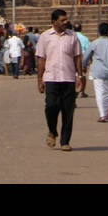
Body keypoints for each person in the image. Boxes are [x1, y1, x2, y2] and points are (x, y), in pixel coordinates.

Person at [36, 8, 83, 151]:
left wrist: (79, 76)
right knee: (51, 106)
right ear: (53, 21)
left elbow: (77, 58)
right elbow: (41, 59)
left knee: (68, 112)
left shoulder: (72, 36)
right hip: (51, 78)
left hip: (68, 78)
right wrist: (39, 80)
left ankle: (65, 141)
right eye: (62, 20)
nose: (65, 22)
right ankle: (52, 131)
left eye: (65, 19)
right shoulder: (45, 37)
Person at [85, 21, 108, 121]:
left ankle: (103, 114)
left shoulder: (94, 43)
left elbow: (86, 56)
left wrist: (83, 66)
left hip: (98, 71)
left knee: (100, 93)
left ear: (99, 31)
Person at [74, 23, 91, 97]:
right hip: (82, 59)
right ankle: (82, 91)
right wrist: (89, 60)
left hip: (72, 58)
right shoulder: (85, 38)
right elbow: (89, 50)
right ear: (81, 29)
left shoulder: (71, 37)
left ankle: (74, 90)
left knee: (73, 75)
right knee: (82, 75)